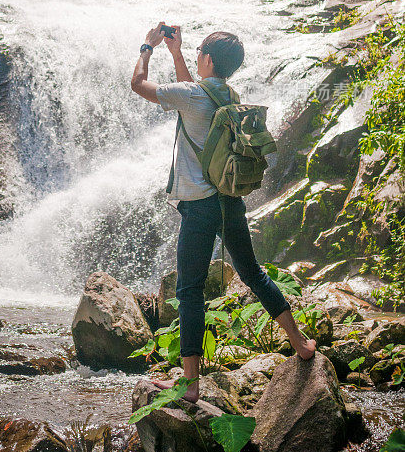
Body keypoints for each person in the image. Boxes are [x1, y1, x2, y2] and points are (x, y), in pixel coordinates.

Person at [131, 22, 316, 403]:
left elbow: (138, 85)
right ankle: (301, 344)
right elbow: (192, 97)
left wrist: (146, 47)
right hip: (229, 202)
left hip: (199, 208)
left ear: (209, 59)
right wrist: (178, 52)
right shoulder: (227, 94)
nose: (196, 56)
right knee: (253, 274)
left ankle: (191, 383)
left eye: (199, 52)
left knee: (190, 291)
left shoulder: (191, 94)